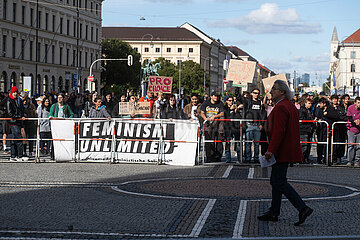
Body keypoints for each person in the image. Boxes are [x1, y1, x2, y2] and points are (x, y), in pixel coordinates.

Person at [258, 80, 313, 226]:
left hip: (282, 150)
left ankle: (302, 208)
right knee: (276, 180)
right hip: (285, 148)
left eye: (274, 89)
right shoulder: (288, 105)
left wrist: (271, 150)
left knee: (279, 181)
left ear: (282, 91)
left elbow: (279, 131)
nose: (271, 91)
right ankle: (274, 211)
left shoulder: (282, 107)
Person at [200, 91, 225, 162]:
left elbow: (222, 113)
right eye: (214, 96)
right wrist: (205, 119)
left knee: (218, 140)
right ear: (211, 96)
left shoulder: (220, 103)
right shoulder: (206, 102)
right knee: (208, 141)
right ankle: (209, 157)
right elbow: (202, 112)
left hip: (217, 124)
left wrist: (215, 116)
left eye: (217, 96)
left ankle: (217, 156)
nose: (216, 97)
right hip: (208, 123)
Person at [243, 88, 265, 163]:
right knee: (248, 143)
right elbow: (240, 98)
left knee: (257, 144)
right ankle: (248, 158)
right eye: (255, 93)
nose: (256, 94)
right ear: (251, 93)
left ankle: (256, 158)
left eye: (258, 93)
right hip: (249, 124)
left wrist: (261, 124)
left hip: (257, 125)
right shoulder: (248, 101)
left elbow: (262, 114)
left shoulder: (260, 102)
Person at [6, 86, 28, 161]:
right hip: (13, 121)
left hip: (18, 121)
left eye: (16, 92)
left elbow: (21, 110)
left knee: (14, 139)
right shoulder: (9, 100)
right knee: (18, 138)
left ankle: (13, 155)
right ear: (11, 93)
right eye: (14, 92)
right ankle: (19, 155)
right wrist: (19, 117)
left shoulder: (18, 100)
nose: (15, 94)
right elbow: (9, 113)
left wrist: (21, 117)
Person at [299, 98, 315, 163]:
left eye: (311, 103)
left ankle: (306, 158)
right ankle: (302, 159)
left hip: (309, 130)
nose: (310, 105)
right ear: (305, 103)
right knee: (304, 145)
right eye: (309, 103)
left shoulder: (310, 110)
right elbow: (302, 119)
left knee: (308, 145)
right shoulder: (302, 110)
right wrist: (311, 120)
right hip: (303, 130)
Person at [346, 97, 360, 167]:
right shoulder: (350, 108)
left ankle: (357, 161)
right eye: (358, 102)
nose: (359, 104)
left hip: (359, 130)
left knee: (358, 146)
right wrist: (354, 121)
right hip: (351, 128)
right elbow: (348, 117)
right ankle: (349, 161)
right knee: (351, 145)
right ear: (355, 103)